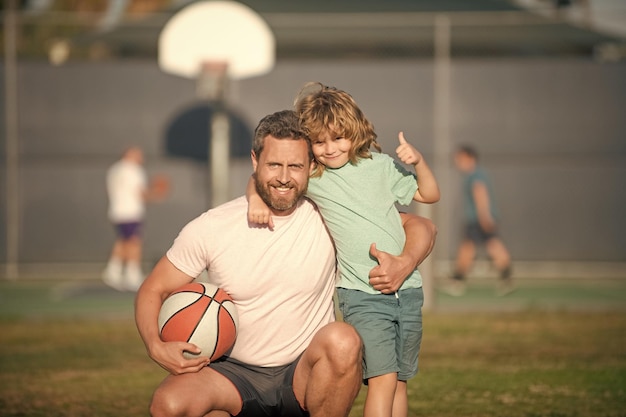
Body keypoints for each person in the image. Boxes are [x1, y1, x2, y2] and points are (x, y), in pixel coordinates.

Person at [135, 110, 437, 417]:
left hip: (303, 374)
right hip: (231, 373)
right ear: (255, 161)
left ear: (311, 167)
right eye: (274, 165)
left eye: (295, 166)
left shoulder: (330, 215)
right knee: (169, 405)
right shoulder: (212, 226)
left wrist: (405, 261)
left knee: (343, 341)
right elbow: (153, 289)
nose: (283, 176)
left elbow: (421, 226)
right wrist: (154, 345)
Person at [247, 84, 440, 417]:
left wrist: (419, 161)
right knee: (383, 379)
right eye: (319, 142)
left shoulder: (381, 166)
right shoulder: (314, 176)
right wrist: (254, 199)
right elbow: (262, 176)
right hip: (362, 295)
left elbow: (429, 194)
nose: (329, 149)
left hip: (408, 292)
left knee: (400, 382)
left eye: (338, 138)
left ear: (356, 132)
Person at [445, 144, 513, 296]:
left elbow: (480, 193)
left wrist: (484, 216)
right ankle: (506, 278)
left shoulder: (475, 175)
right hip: (480, 218)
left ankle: (457, 281)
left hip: (478, 219)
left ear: (469, 158)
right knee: (492, 245)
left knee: (470, 248)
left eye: (460, 158)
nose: (457, 162)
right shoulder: (475, 174)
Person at [103, 146, 169, 291]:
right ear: (130, 154)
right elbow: (141, 193)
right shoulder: (133, 170)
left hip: (116, 211)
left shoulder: (115, 169)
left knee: (123, 240)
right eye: (138, 154)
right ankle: (132, 275)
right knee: (134, 242)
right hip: (130, 211)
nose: (141, 157)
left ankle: (112, 271)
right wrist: (156, 194)